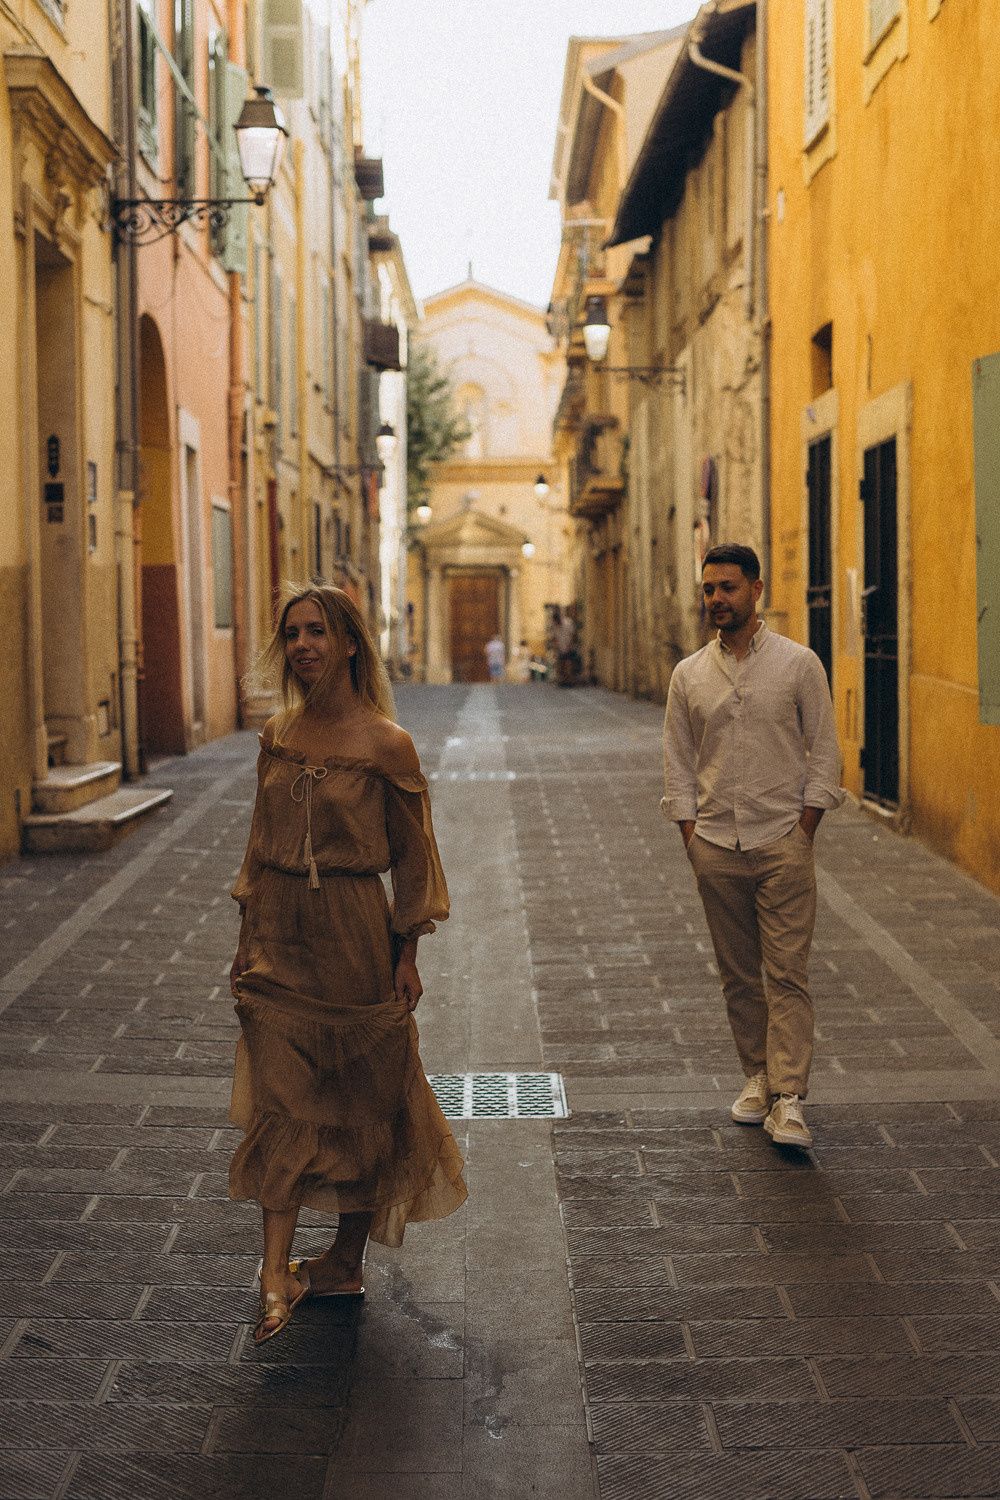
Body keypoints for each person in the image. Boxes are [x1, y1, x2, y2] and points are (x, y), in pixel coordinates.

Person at [229, 583, 467, 1343]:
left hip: (356, 936)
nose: (302, 646)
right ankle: (273, 1271)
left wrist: (408, 953)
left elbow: (412, 859)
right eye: (292, 633)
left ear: (350, 644)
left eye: (318, 633)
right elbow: (257, 847)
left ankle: (343, 1261)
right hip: (281, 940)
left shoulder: (386, 744)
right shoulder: (277, 734)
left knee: (365, 1101)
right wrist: (246, 940)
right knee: (281, 1102)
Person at [662, 544, 845, 1147]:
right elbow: (679, 762)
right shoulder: (688, 674)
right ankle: (757, 1077)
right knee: (738, 975)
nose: (716, 598)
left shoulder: (798, 665)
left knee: (787, 973)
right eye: (709, 588)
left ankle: (789, 1097)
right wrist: (691, 835)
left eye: (728, 588)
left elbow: (823, 750)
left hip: (782, 840)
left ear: (756, 590)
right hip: (715, 843)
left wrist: (806, 826)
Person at [554, 606, 576, 686]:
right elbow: (557, 637)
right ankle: (563, 680)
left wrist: (568, 646)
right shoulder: (556, 625)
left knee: (568, 664)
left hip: (569, 647)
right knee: (561, 664)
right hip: (561, 648)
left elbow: (571, 635)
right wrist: (558, 646)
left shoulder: (568, 622)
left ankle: (569, 681)